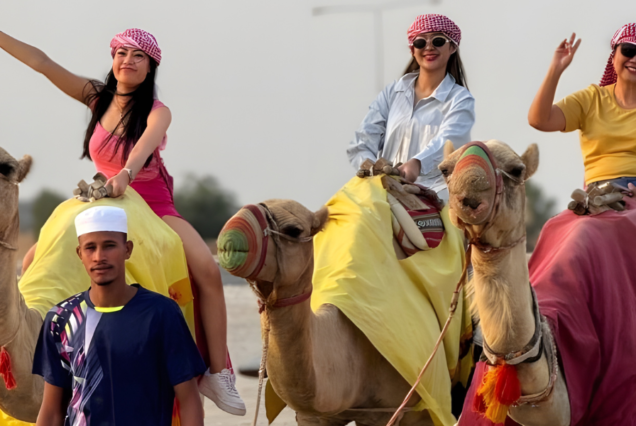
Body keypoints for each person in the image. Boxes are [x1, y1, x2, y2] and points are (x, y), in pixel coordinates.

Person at [0, 28, 245, 414]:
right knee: (33, 260)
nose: (128, 60)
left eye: (138, 56)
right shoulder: (97, 98)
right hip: (102, 196)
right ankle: (45, 354)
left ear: (150, 67)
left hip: (150, 201)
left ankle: (218, 372)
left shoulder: (158, 111)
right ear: (113, 60)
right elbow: (42, 63)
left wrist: (126, 175)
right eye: (121, 53)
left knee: (207, 270)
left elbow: (143, 148)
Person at [32, 206, 206, 426]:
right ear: (80, 254)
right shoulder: (61, 319)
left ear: (127, 249)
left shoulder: (161, 314)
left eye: (109, 246)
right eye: (90, 248)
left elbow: (188, 399)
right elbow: (51, 411)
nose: (99, 257)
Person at [346, 14, 475, 200]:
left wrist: (418, 163)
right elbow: (362, 143)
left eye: (438, 41)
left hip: (433, 194)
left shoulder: (460, 99)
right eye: (420, 42)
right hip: (383, 191)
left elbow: (450, 141)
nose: (429, 47)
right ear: (413, 50)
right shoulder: (392, 92)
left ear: (452, 47)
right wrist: (374, 169)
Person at [528, 25, 636, 192]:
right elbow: (540, 120)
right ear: (614, 56)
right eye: (628, 50)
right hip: (601, 194)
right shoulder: (591, 99)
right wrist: (555, 69)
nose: (634, 59)